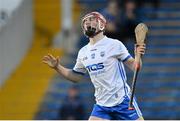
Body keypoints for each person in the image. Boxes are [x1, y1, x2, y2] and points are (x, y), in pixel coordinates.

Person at [43, 11, 146, 120]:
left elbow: (135, 67)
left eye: (91, 20)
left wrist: (137, 56)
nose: (87, 22)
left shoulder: (114, 44)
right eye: (85, 21)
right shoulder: (83, 52)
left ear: (101, 24)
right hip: (102, 105)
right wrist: (57, 67)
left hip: (123, 101)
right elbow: (75, 76)